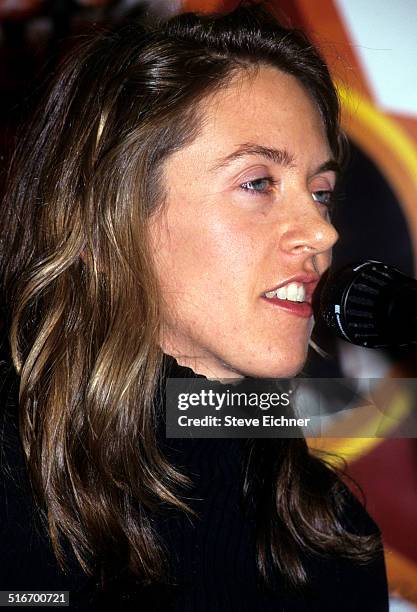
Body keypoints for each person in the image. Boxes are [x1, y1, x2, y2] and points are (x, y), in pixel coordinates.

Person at [0, 3, 389, 610]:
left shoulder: (332, 538)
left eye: (321, 192)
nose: (322, 232)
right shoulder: (14, 504)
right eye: (258, 182)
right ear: (113, 218)